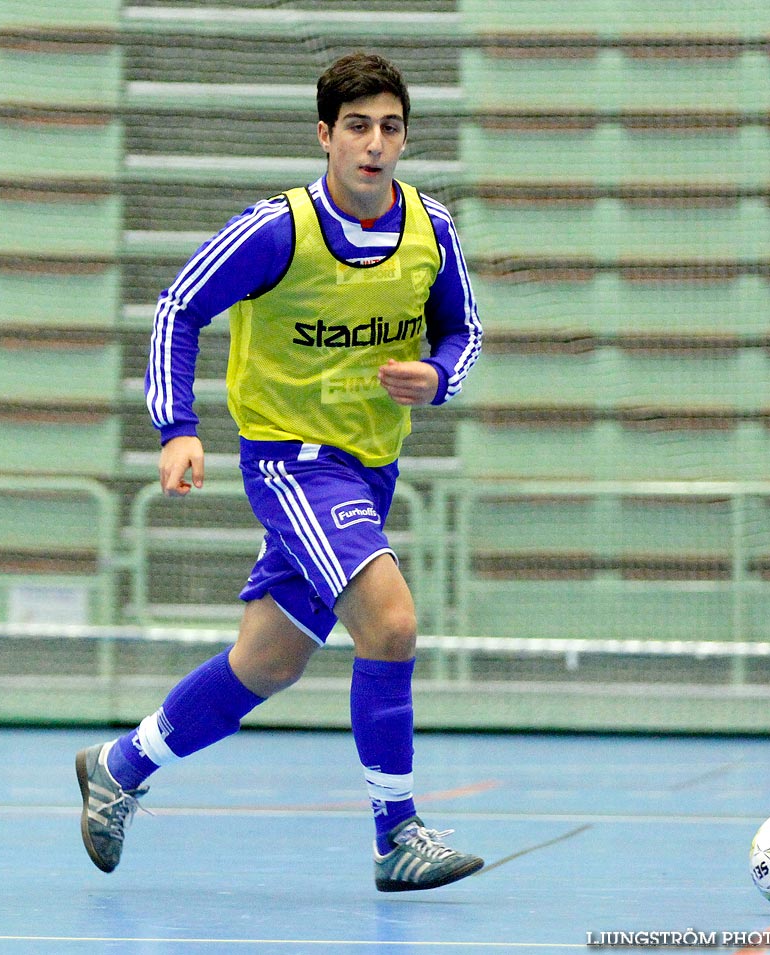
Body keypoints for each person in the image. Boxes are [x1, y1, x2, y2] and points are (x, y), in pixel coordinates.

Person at [76, 53, 484, 891]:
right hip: (291, 462)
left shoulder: (430, 230)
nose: (376, 144)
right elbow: (178, 306)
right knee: (392, 623)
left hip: (370, 467)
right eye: (359, 127)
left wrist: (438, 375)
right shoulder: (278, 230)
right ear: (326, 136)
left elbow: (463, 333)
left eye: (392, 127)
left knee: (266, 663)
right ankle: (396, 833)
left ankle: (120, 764)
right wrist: (176, 427)